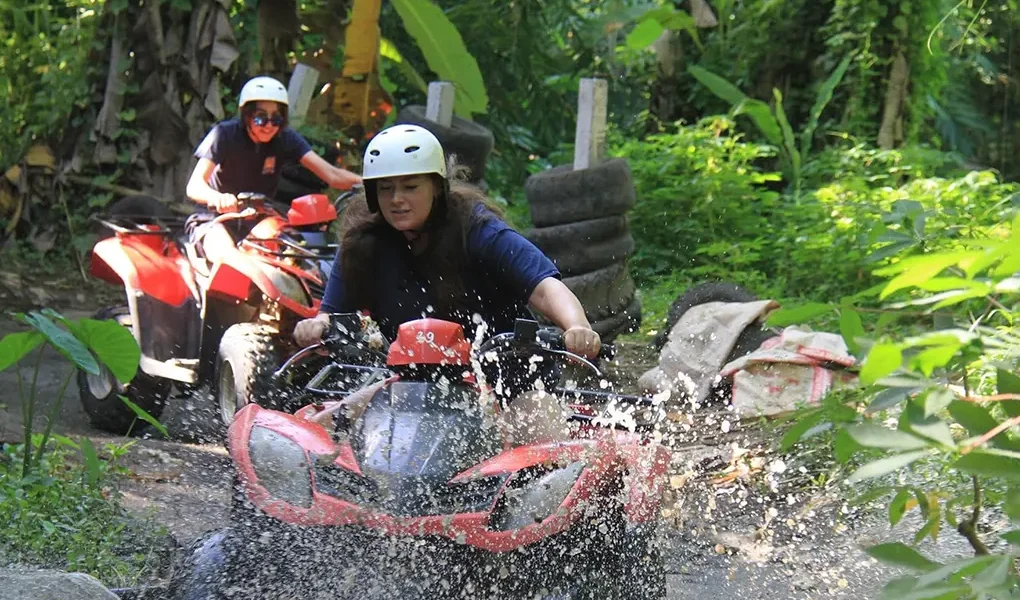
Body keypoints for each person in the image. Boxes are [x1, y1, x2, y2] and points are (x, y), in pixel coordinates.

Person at [293, 124, 601, 442]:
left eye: (410, 187)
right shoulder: (361, 244)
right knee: (320, 431)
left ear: (437, 187)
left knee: (546, 441)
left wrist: (576, 325)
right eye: (385, 189)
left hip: (510, 387)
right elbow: (329, 314)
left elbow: (544, 287)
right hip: (412, 387)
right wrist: (316, 326)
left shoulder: (479, 230)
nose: (396, 199)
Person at [185, 75, 361, 259]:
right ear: (246, 115)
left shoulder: (285, 138)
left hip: (260, 220)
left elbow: (332, 175)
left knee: (300, 255)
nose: (269, 126)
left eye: (276, 119)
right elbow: (194, 186)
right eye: (261, 118)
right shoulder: (224, 134)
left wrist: (371, 184)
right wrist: (219, 198)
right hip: (214, 219)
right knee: (229, 258)